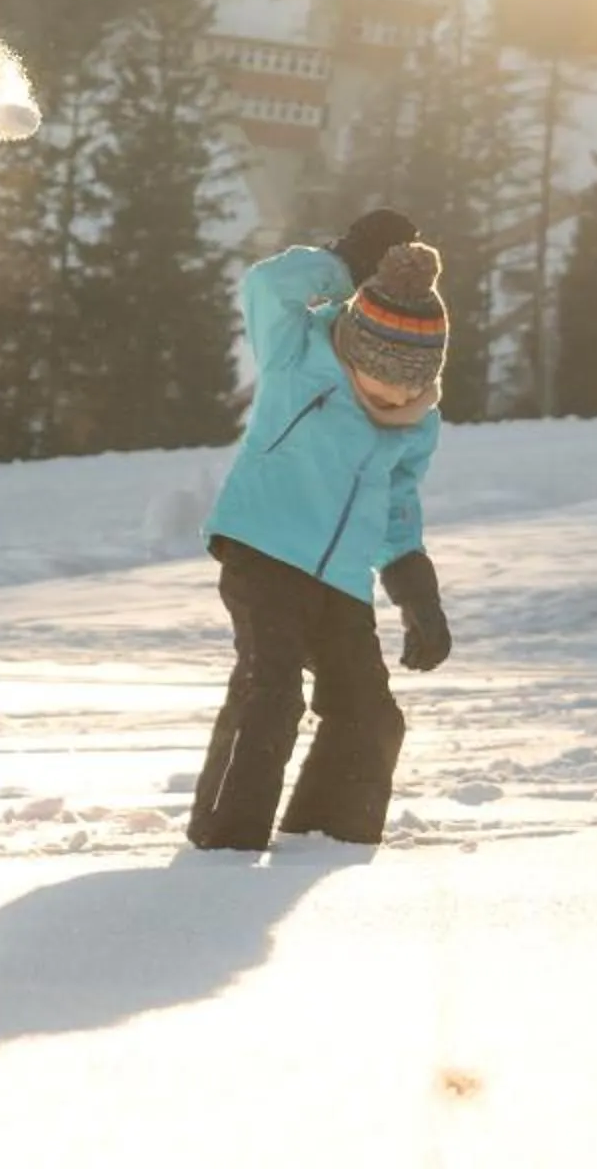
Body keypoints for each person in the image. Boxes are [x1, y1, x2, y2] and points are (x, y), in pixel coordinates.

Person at [187, 209, 454, 852]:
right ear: (355, 347)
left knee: (371, 714)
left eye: (407, 391)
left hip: (340, 576)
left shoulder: (416, 420)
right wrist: (341, 264)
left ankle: (326, 841)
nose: (394, 402)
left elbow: (396, 502)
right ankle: (223, 848)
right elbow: (265, 284)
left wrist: (416, 590)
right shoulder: (296, 354)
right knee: (270, 693)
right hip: (262, 547)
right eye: (381, 386)